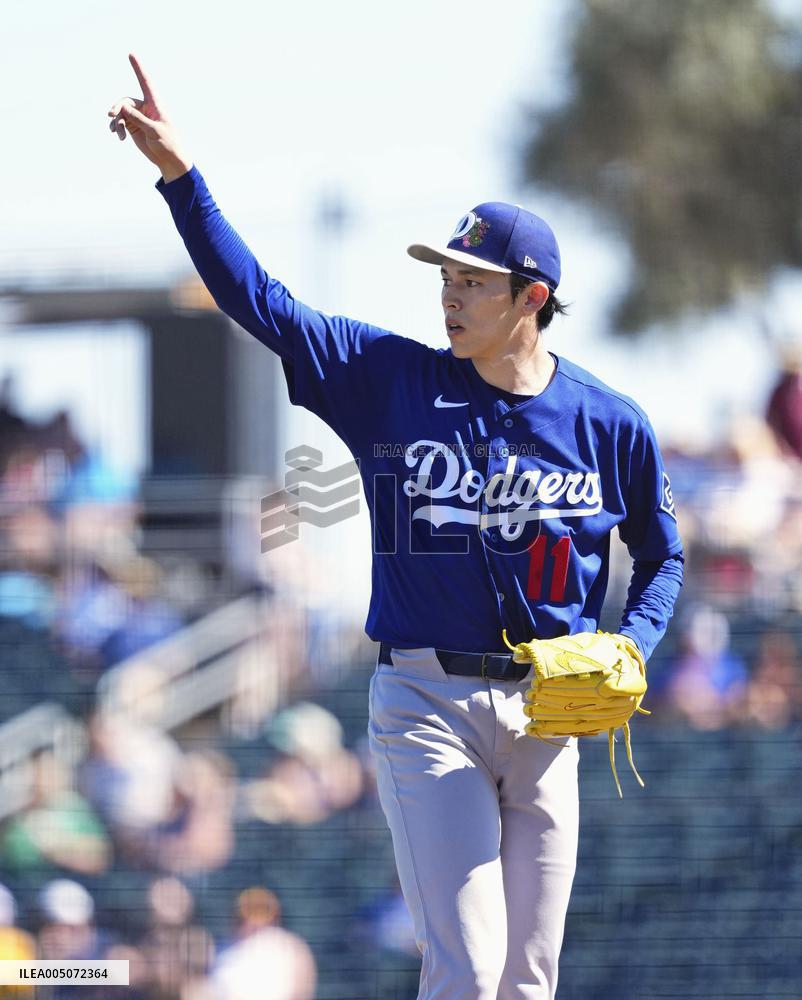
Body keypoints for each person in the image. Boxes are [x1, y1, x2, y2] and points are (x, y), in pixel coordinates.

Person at [108, 53, 684, 1000]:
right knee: (469, 965)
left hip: (551, 714)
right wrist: (183, 179)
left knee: (530, 978)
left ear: (532, 298)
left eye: (474, 281)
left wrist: (635, 641)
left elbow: (662, 556)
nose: (450, 294)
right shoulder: (393, 380)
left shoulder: (608, 420)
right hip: (429, 705)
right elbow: (265, 304)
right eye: (447, 275)